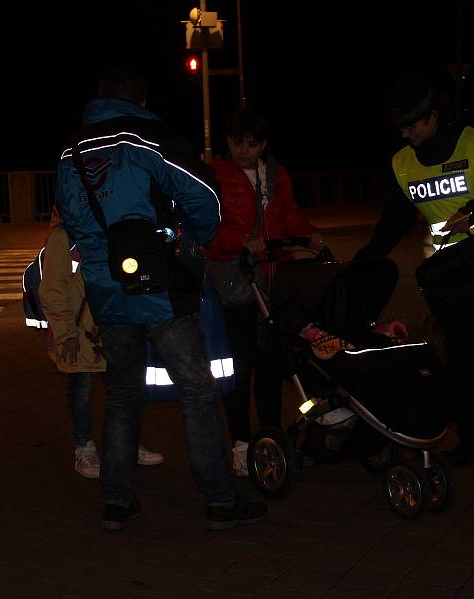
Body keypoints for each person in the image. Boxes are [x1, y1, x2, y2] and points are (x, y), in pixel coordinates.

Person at [55, 66, 266, 531]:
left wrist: (98, 262)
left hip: (107, 289)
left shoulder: (71, 151)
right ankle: (220, 501)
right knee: (197, 391)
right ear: (141, 100)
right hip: (161, 285)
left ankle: (116, 501)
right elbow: (203, 194)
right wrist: (204, 237)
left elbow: (69, 219)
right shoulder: (150, 138)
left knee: (124, 395)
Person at [354, 75, 474, 481]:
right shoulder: (402, 164)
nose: (406, 135)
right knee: (463, 365)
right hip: (452, 276)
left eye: (412, 126)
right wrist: (362, 262)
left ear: (433, 117)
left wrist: (470, 215)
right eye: (400, 128)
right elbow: (393, 224)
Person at [206, 106, 324, 476]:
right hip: (235, 282)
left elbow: (289, 214)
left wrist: (309, 235)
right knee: (240, 368)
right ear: (228, 142)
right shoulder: (214, 176)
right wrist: (243, 241)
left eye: (252, 144)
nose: (244, 150)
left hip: (274, 281)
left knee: (273, 364)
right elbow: (209, 228)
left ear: (264, 144)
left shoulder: (276, 174)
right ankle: (241, 443)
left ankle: (271, 439)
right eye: (238, 143)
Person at [39, 208, 164, 480]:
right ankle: (84, 448)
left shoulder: (108, 232)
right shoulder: (63, 239)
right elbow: (52, 289)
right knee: (81, 392)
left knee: (122, 390)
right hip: (78, 331)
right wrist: (66, 334)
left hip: (109, 326)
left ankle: (127, 444)